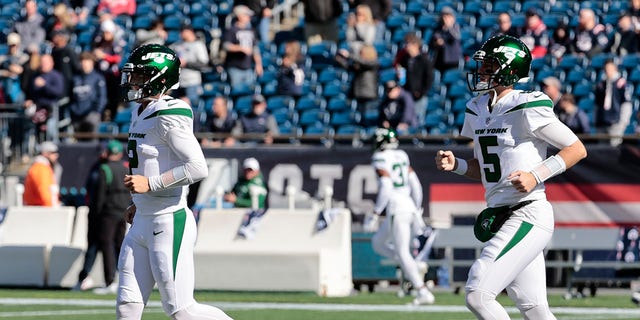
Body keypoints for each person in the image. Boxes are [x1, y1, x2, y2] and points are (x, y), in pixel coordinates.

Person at [435, 35, 587, 319]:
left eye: (490, 64)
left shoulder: (527, 105)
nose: (482, 71)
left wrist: (536, 175)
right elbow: (484, 169)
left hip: (528, 212)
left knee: (478, 294)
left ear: (509, 68)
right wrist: (456, 164)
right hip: (502, 213)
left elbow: (576, 149)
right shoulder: (477, 108)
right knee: (534, 308)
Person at [118, 44, 233, 319]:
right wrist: (139, 200)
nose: (133, 81)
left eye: (140, 75)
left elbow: (197, 167)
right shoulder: (140, 111)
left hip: (168, 220)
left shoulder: (170, 112)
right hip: (142, 219)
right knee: (127, 306)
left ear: (159, 78)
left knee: (181, 310)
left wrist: (151, 185)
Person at [363, 127, 434, 306]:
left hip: (397, 208)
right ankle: (413, 266)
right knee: (378, 242)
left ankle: (422, 291)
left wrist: (375, 213)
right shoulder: (402, 155)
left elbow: (386, 187)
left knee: (403, 253)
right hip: (408, 205)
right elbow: (416, 185)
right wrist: (417, 208)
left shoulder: (379, 158)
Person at [88, 140, 130, 295]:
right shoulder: (126, 168)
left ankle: (110, 280)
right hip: (123, 212)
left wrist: (96, 214)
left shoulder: (104, 169)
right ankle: (123, 280)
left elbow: (99, 195)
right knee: (120, 246)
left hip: (108, 213)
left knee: (107, 246)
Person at [393, 32, 434, 127]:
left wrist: (421, 92)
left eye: (408, 43)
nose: (406, 46)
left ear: (416, 45)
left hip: (418, 96)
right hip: (406, 94)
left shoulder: (424, 60)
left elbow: (429, 78)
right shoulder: (404, 59)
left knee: (417, 119)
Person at [223, 5, 264, 88]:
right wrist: (240, 48)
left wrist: (258, 64)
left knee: (249, 93)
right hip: (235, 68)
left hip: (248, 68)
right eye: (246, 15)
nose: (249, 17)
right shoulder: (231, 30)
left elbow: (255, 49)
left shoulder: (251, 31)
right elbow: (226, 46)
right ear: (239, 16)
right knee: (237, 91)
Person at [594, 59, 633, 147]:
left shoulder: (621, 83)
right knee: (602, 149)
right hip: (602, 121)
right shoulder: (601, 85)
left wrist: (623, 121)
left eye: (610, 69)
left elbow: (626, 103)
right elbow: (597, 105)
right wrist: (596, 120)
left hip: (615, 121)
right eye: (606, 69)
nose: (608, 71)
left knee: (614, 148)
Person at [68, 52, 107, 137]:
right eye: (82, 61)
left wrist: (96, 112)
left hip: (91, 115)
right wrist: (72, 109)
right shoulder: (75, 78)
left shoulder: (98, 78)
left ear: (92, 63)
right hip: (76, 115)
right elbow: (71, 96)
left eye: (87, 61)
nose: (84, 64)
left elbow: (102, 97)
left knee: (91, 142)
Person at [170, 25, 209, 108]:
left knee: (192, 107)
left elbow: (203, 64)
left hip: (192, 81)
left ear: (190, 32)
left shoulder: (198, 45)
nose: (182, 34)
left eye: (184, 31)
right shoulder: (177, 45)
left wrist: (186, 63)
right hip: (179, 82)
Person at [23, 141, 62, 206]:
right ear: (45, 154)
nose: (56, 155)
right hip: (39, 208)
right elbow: (44, 192)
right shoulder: (41, 168)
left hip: (40, 207)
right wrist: (53, 208)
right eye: (53, 152)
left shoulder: (45, 167)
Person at [429, 6, 462, 73]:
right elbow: (432, 41)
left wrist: (449, 27)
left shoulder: (455, 27)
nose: (445, 18)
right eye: (444, 16)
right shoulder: (438, 28)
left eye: (448, 16)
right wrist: (437, 42)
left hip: (452, 60)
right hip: (440, 59)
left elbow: (456, 37)